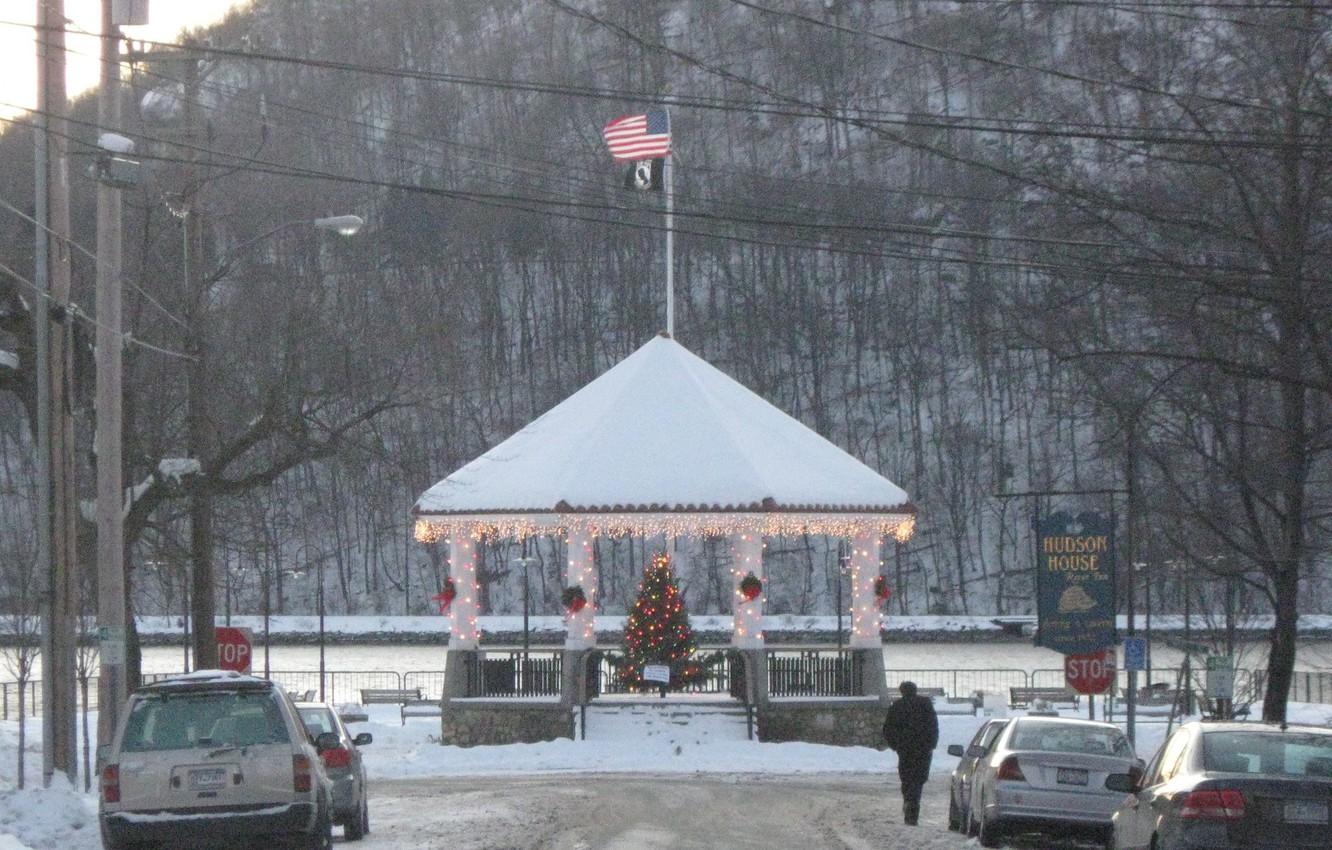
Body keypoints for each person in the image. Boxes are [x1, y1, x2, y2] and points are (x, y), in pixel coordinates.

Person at [882, 680, 939, 826]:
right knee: (919, 779)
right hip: (923, 749)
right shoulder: (925, 704)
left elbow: (888, 729)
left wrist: (896, 745)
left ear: (902, 691)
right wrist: (931, 744)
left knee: (907, 778)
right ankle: (913, 806)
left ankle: (909, 802)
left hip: (905, 749)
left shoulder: (897, 706)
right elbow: (933, 725)